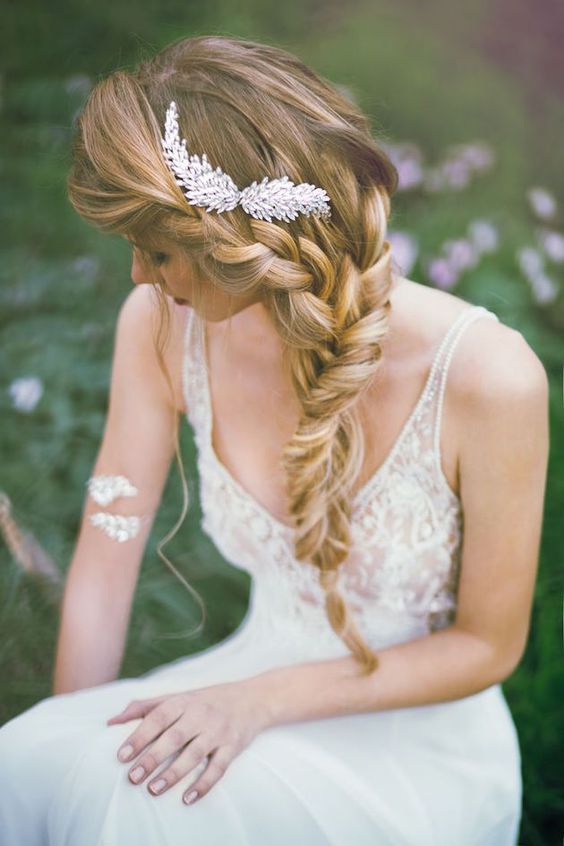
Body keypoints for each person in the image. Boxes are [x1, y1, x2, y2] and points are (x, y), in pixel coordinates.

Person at [0, 33, 549, 846]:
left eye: (157, 251)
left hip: (414, 742)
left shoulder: (488, 377)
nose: (138, 278)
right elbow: (108, 556)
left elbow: (487, 646)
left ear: (232, 242)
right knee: (25, 764)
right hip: (238, 682)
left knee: (147, 810)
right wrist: (74, 727)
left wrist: (258, 702)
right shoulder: (157, 330)